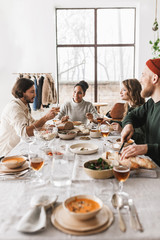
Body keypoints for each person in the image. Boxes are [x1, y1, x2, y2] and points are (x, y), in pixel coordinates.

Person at [0, 78, 57, 157]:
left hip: (17, 150)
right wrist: (45, 118)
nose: (35, 95)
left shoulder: (23, 105)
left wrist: (50, 126)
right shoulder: (15, 108)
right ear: (22, 92)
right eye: (32, 92)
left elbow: (33, 124)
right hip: (7, 155)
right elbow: (25, 133)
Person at [121, 58, 160, 166]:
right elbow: (131, 115)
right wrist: (128, 125)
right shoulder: (151, 103)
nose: (140, 80)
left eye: (143, 75)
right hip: (150, 166)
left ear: (154, 79)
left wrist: (146, 148)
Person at [110, 79, 145, 144]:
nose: (120, 92)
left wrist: (121, 130)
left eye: (124, 90)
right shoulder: (128, 106)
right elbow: (126, 124)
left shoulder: (140, 111)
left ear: (132, 91)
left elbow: (141, 138)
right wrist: (110, 121)